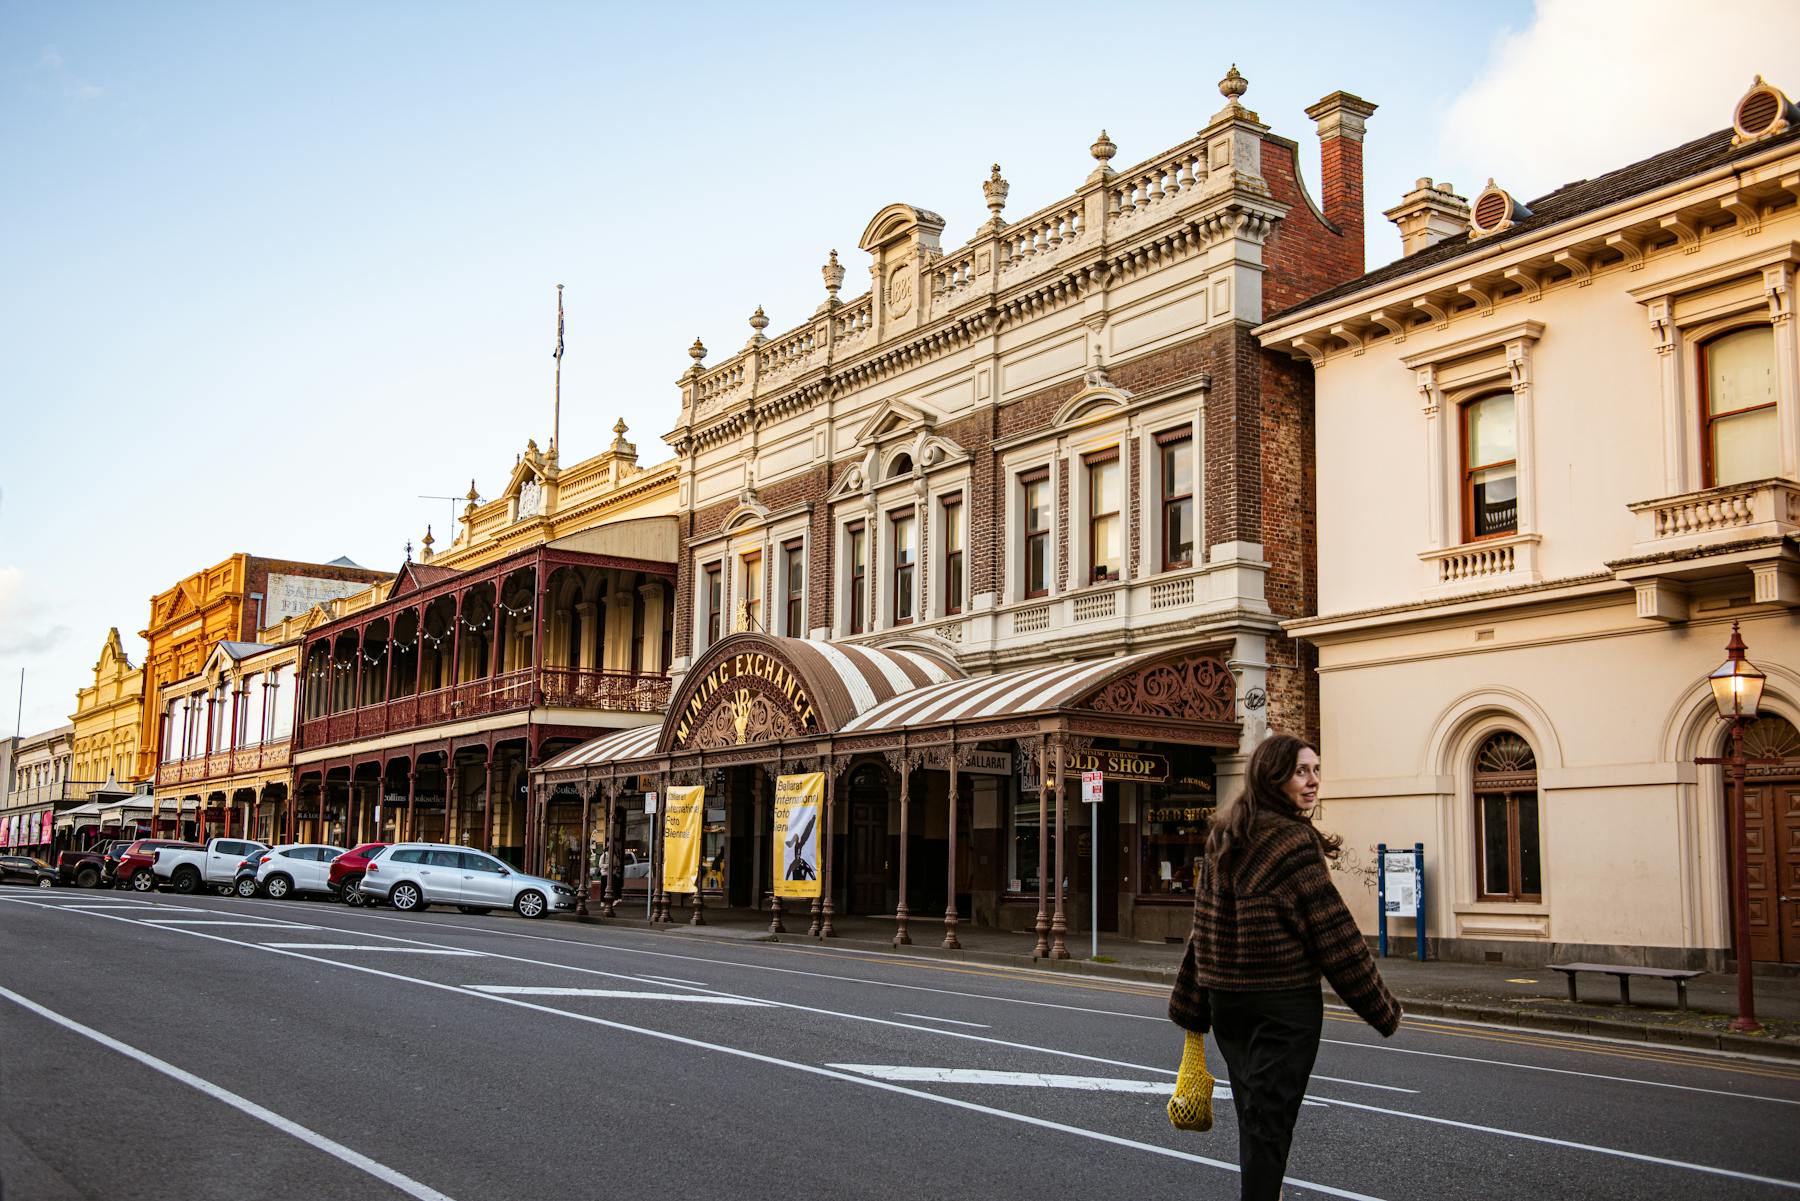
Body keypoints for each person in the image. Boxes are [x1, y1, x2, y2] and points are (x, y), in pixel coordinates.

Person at [1168, 733, 1401, 1201]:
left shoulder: (1224, 835)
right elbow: (1334, 935)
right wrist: (1382, 1010)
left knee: (1256, 1119)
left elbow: (1204, 926)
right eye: (1301, 772)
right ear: (1273, 777)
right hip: (1283, 1008)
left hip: (1228, 1005)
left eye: (1316, 770)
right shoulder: (1293, 843)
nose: (1313, 782)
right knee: (1269, 1124)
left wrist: (1193, 1005)